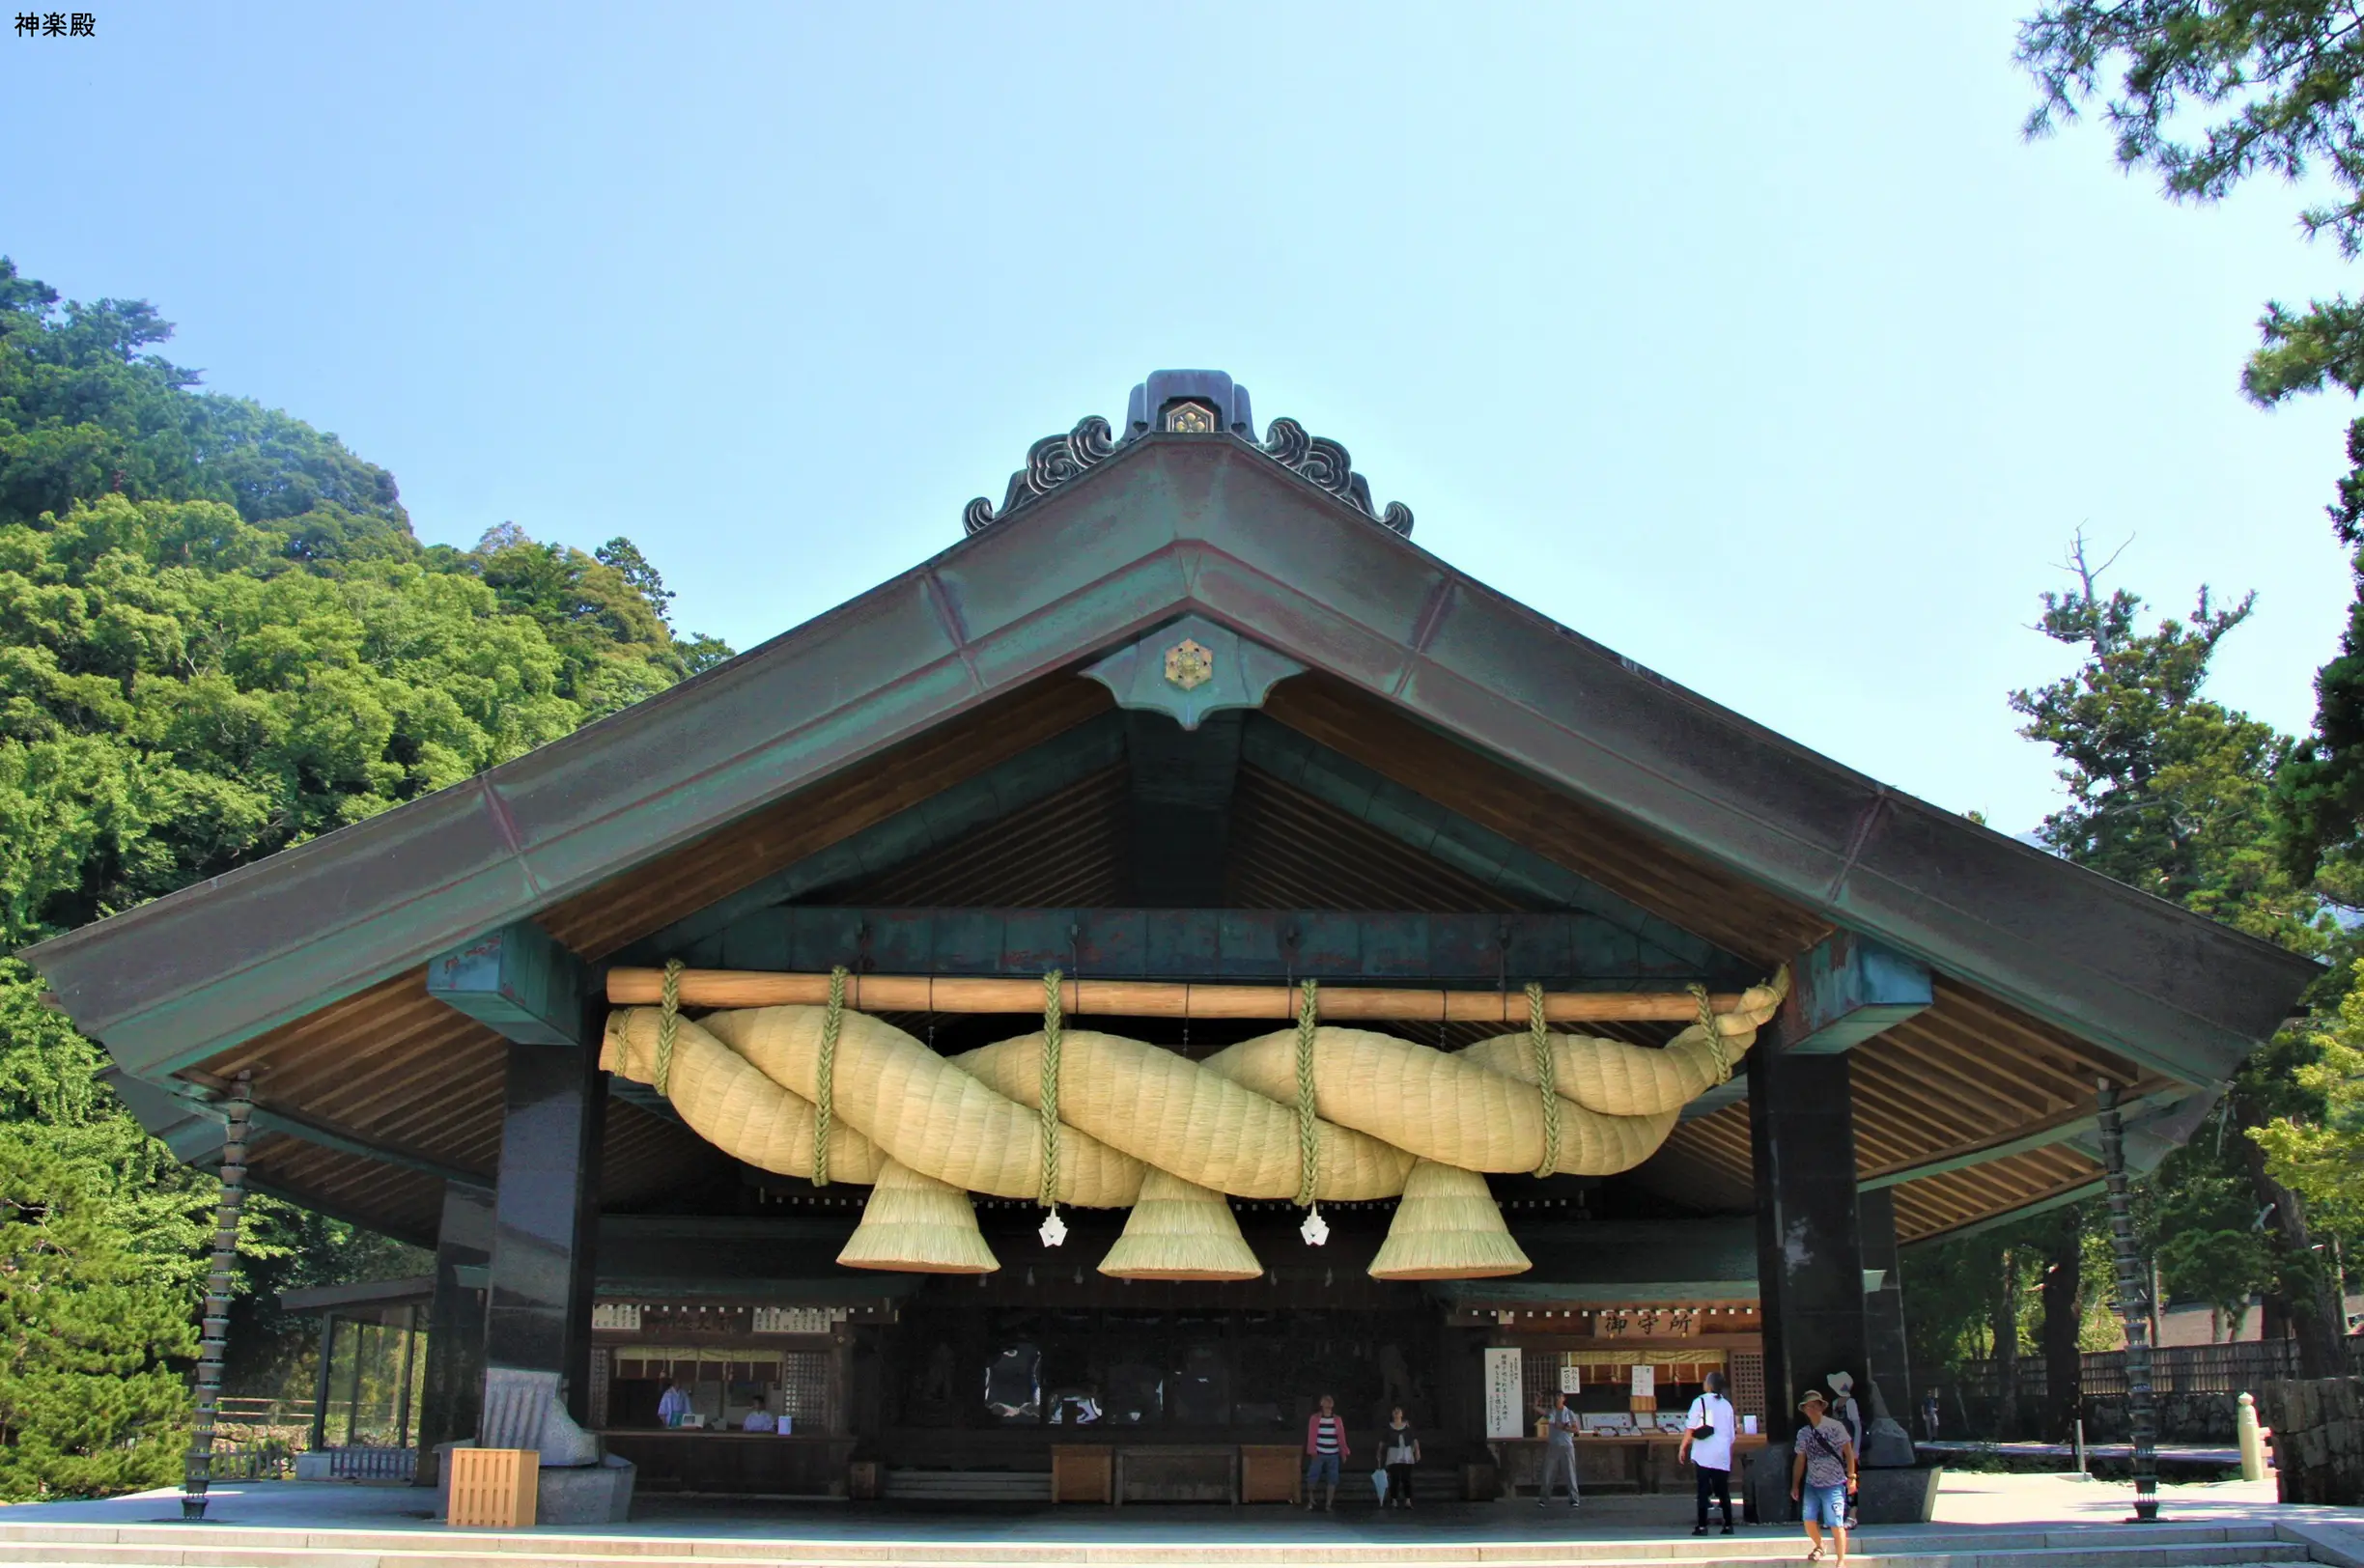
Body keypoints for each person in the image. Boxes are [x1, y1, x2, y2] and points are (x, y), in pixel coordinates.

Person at [1788, 1389, 1857, 1564]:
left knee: (1835, 1523)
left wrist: (1851, 1476)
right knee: (1809, 1520)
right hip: (1812, 1483)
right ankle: (1820, 1545)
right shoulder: (1803, 1433)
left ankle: (1841, 1561)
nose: (1811, 1409)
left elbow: (1848, 1453)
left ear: (1821, 1407)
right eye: (1807, 1407)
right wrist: (1795, 1484)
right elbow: (1800, 1459)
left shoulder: (1835, 1427)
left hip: (1834, 1482)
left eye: (1814, 1405)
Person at [1678, 1369, 1737, 1536]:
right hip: (1722, 1453)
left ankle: (1702, 1526)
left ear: (1709, 1385)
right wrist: (1728, 1453)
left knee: (1703, 1490)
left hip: (1704, 1452)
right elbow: (1731, 1434)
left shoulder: (1700, 1401)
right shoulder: (1727, 1405)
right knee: (1723, 1491)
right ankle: (1728, 1525)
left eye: (1706, 1380)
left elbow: (1691, 1426)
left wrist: (1683, 1446)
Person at [1304, 1393, 1348, 1512]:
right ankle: (1311, 1500)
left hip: (1333, 1454)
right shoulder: (1315, 1418)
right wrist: (1312, 1451)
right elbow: (1311, 1436)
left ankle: (1328, 1504)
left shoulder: (1337, 1420)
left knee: (1332, 1479)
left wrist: (1343, 1452)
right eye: (1325, 1401)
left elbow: (1341, 1437)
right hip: (1319, 1453)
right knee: (1312, 1477)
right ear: (1321, 1404)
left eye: (1330, 1401)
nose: (1328, 1403)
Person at [1536, 1389, 1580, 1508]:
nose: (1557, 1399)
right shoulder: (1551, 1412)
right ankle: (1543, 1498)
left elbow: (1576, 1430)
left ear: (1564, 1398)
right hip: (1553, 1445)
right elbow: (1536, 1408)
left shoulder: (1569, 1413)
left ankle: (1574, 1498)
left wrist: (1563, 1427)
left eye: (1560, 1396)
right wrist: (1538, 1398)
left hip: (1567, 1446)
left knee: (1570, 1473)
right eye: (1556, 1397)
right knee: (1548, 1473)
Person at [1380, 1405, 1421, 1509]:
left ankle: (1408, 1500)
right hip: (1394, 1455)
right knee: (1395, 1478)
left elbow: (1414, 1439)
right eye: (1395, 1411)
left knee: (1406, 1478)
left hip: (1406, 1455)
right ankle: (1394, 1500)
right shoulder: (1389, 1427)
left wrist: (1417, 1451)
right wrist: (1379, 1452)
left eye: (1399, 1411)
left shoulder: (1407, 1427)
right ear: (1392, 1414)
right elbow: (1383, 1441)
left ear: (1402, 1414)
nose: (1397, 1413)